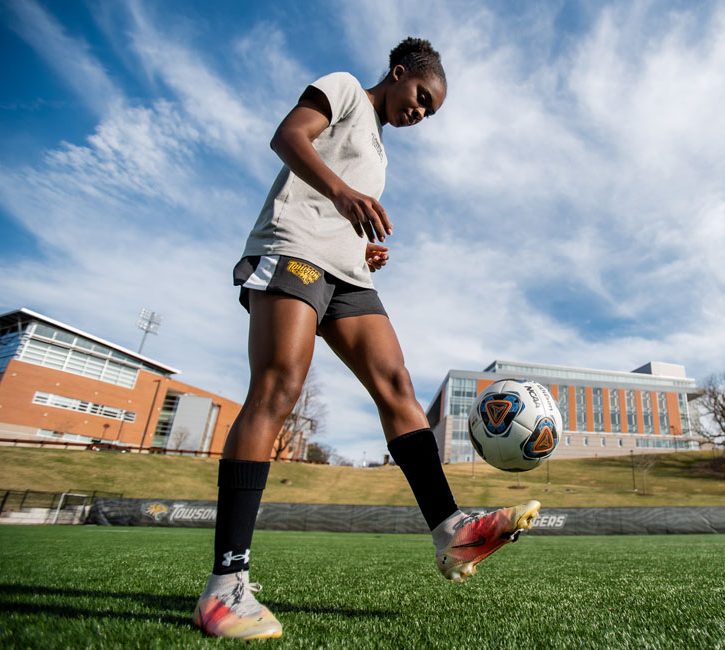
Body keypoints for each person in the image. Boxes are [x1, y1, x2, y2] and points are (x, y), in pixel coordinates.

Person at [191, 38, 540, 640]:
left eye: (431, 112)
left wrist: (362, 245)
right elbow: (288, 136)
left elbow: (346, 210)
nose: (422, 114)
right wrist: (343, 194)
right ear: (399, 74)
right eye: (421, 98)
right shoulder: (348, 87)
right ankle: (224, 589)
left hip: (345, 274)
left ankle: (451, 531)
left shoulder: (380, 152)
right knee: (278, 389)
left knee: (397, 383)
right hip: (293, 249)